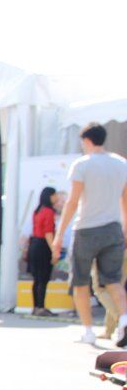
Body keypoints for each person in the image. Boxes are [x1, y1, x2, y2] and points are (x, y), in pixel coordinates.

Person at [51, 123, 127, 346]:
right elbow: (125, 201)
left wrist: (59, 234)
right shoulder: (121, 164)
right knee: (113, 281)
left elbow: (73, 201)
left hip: (86, 229)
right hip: (113, 228)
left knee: (81, 282)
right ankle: (124, 321)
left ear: (86, 140)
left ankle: (88, 332)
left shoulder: (82, 164)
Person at [27, 187, 58, 317]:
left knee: (37, 279)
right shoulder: (49, 212)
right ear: (49, 196)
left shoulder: (37, 211)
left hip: (34, 245)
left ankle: (36, 307)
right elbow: (48, 233)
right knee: (43, 278)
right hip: (43, 247)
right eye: (55, 195)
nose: (57, 197)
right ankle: (41, 307)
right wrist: (54, 251)